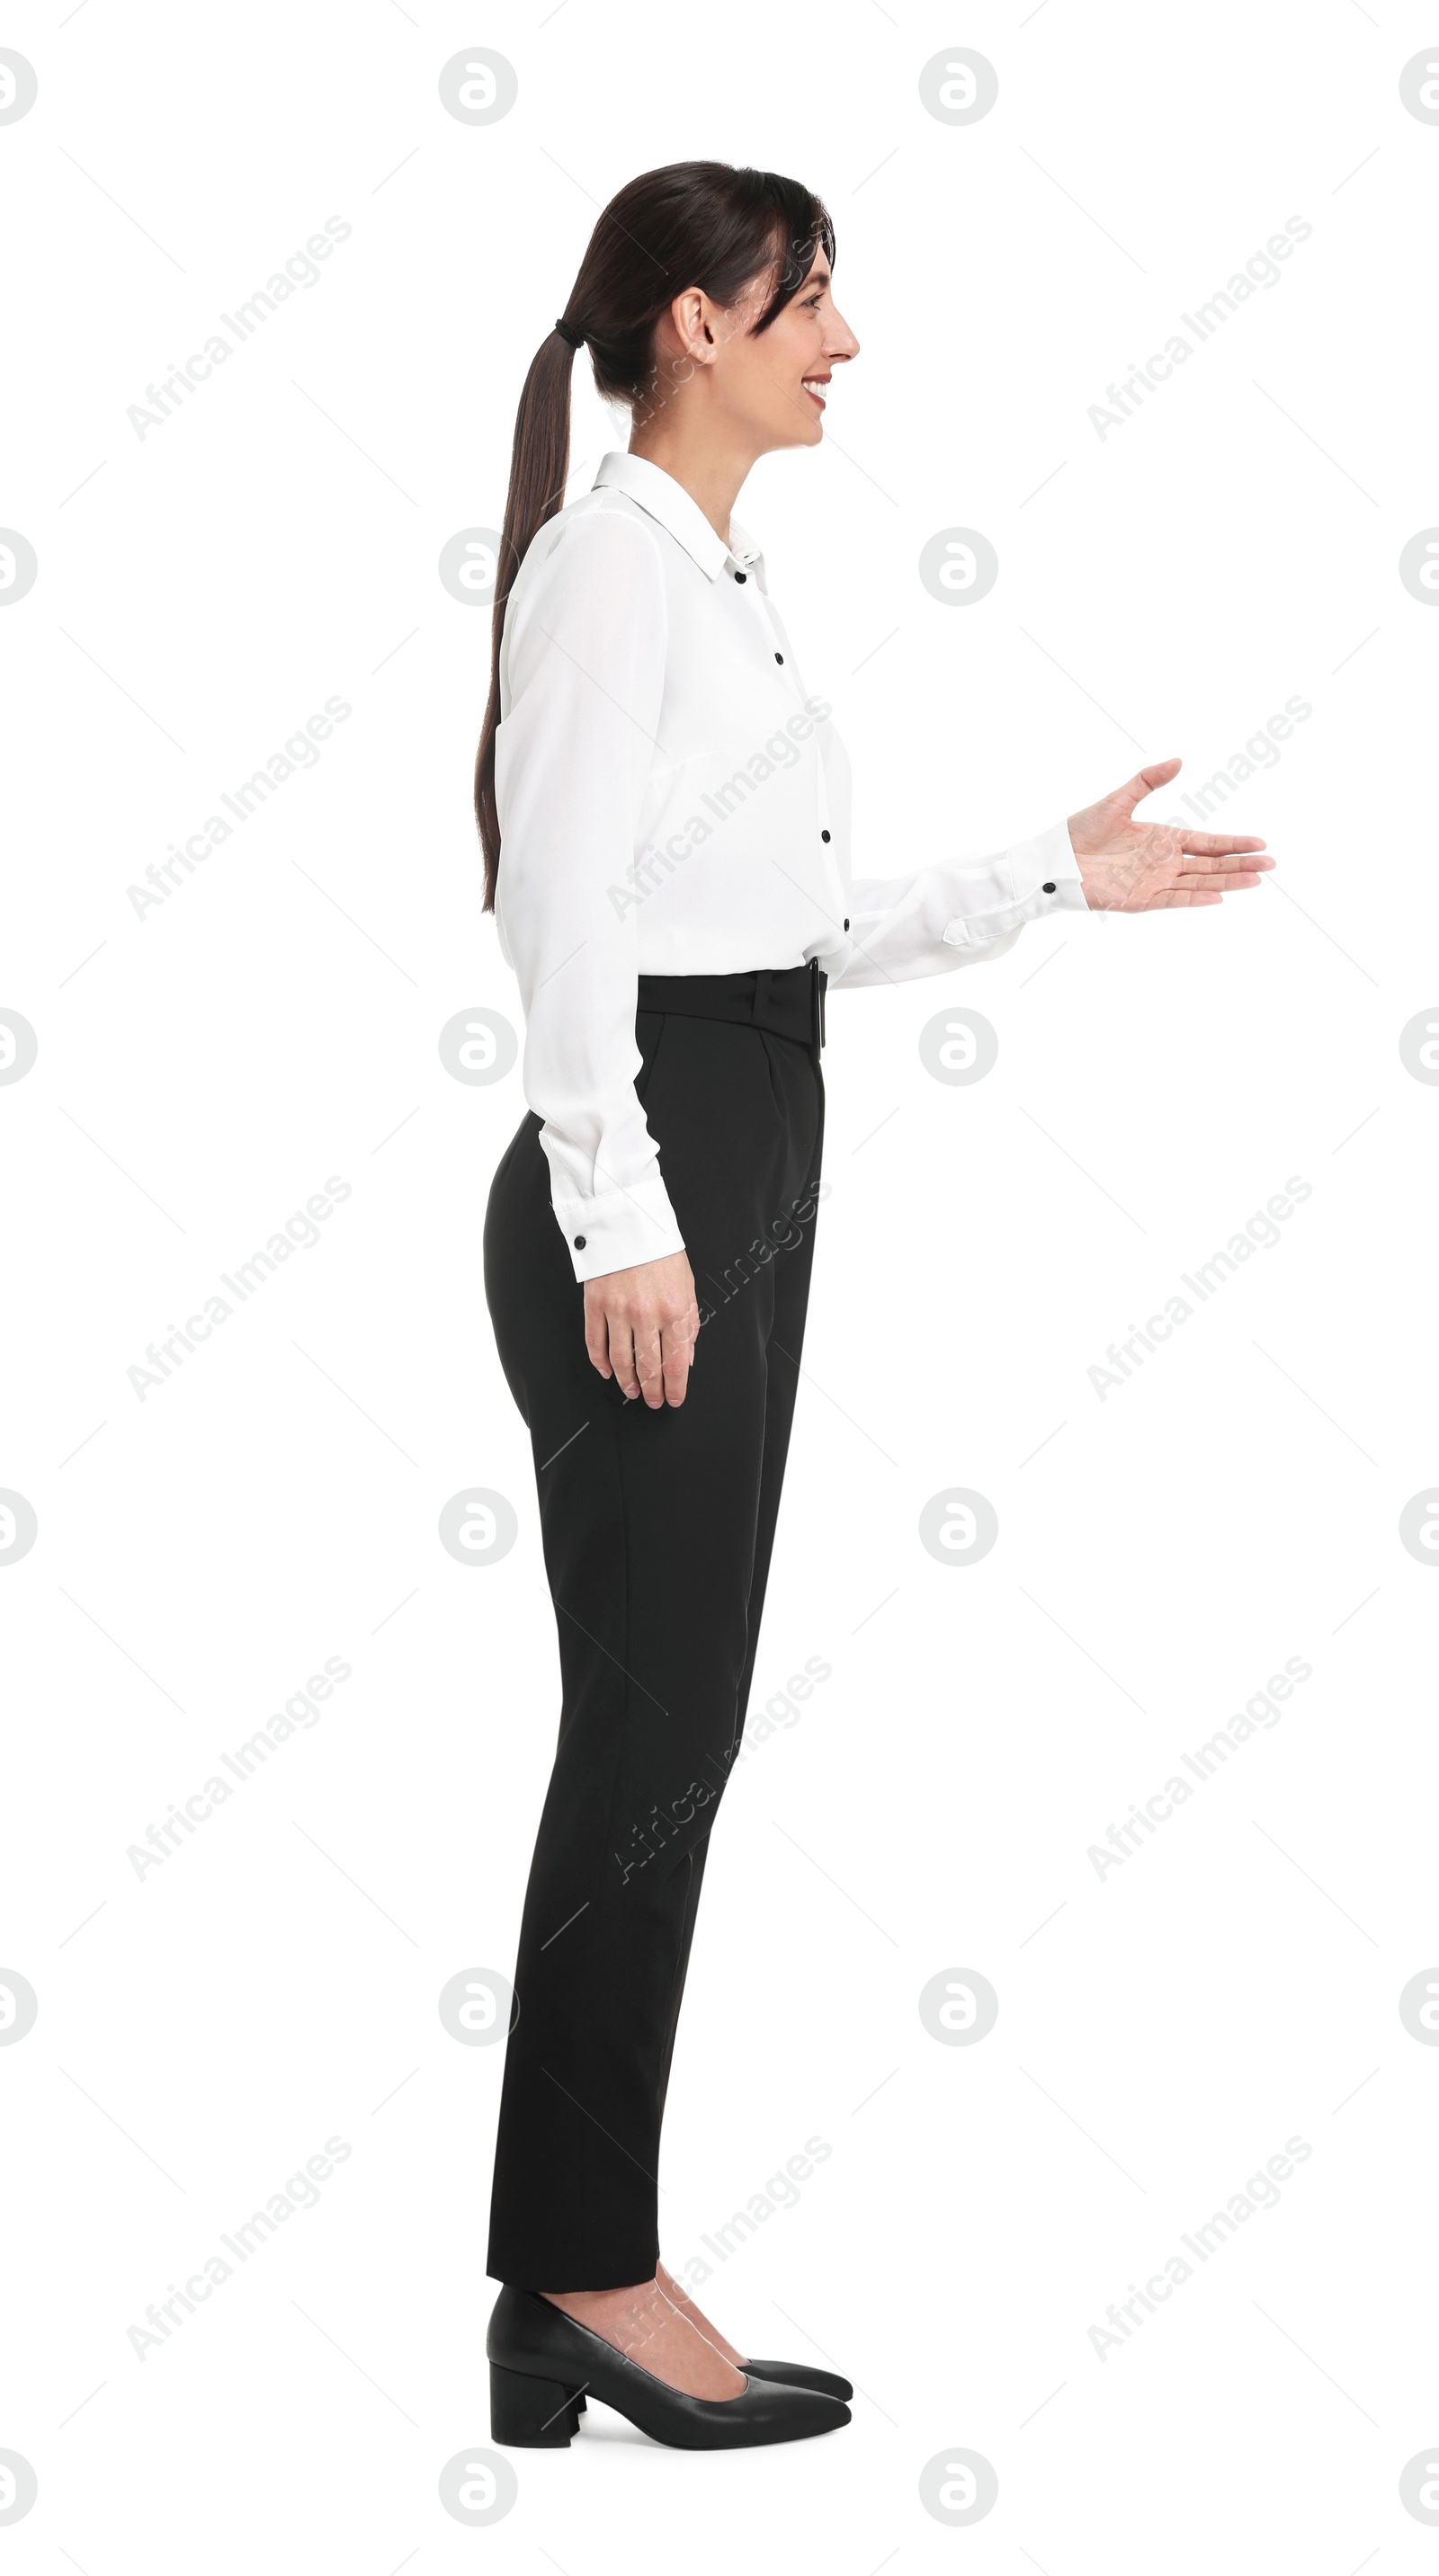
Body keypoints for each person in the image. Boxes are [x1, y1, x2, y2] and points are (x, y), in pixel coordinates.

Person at [474, 160, 1272, 2453]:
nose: (845, 339)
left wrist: (1055, 874)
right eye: (810, 300)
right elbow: (557, 911)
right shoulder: (608, 567)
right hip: (656, 1164)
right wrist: (616, 1209)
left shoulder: (708, 575)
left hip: (741, 1122)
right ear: (697, 329)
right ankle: (582, 2274)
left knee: (672, 1733)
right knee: (647, 1751)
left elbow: (776, 925)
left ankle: (573, 2263)